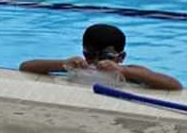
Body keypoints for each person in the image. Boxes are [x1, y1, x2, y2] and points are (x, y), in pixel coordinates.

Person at [19, 24, 181, 91]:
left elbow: (175, 85)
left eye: (106, 56)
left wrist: (123, 70)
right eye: (90, 55)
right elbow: (25, 67)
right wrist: (63, 64)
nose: (97, 62)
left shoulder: (127, 71)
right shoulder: (80, 68)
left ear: (121, 57)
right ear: (84, 53)